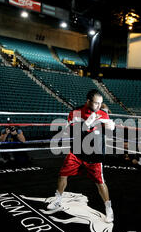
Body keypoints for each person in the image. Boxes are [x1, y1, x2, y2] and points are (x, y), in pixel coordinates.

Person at [48, 89, 116, 223]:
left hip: (95, 153)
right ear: (88, 101)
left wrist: (111, 127)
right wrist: (87, 123)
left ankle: (109, 208)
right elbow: (70, 131)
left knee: (100, 182)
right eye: (96, 103)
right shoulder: (76, 112)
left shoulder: (102, 114)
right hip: (77, 151)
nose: (98, 106)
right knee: (63, 174)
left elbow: (107, 132)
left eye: (100, 103)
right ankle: (58, 200)